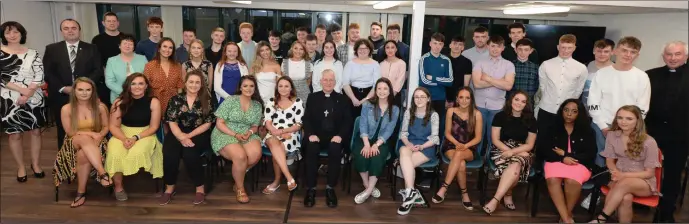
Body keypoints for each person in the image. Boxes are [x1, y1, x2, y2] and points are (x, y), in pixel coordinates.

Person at [589, 105, 661, 223]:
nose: (623, 121)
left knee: (625, 183)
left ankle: (601, 218)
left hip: (643, 181)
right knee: (626, 198)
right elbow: (609, 161)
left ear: (638, 121)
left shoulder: (649, 141)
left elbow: (649, 173)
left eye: (629, 118)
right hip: (617, 175)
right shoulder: (612, 135)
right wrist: (615, 172)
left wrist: (623, 176)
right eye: (620, 117)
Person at [43, 19, 103, 150]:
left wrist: (82, 87)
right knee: (63, 129)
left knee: (87, 126)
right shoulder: (52, 49)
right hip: (61, 95)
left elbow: (98, 70)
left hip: (86, 95)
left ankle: (87, 156)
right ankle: (65, 160)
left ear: (79, 30)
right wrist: (63, 88)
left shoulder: (91, 48)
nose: (70, 31)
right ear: (61, 31)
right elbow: (48, 72)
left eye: (74, 28)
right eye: (66, 28)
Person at [645, 41, 688, 223]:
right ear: (663, 56)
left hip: (681, 136)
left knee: (672, 175)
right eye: (669, 54)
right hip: (651, 135)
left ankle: (666, 212)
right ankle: (645, 202)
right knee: (646, 171)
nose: (673, 58)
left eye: (677, 54)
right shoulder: (650, 75)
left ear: (685, 56)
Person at [53, 77, 111, 208]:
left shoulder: (100, 107)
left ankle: (81, 193)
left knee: (83, 154)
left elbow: (106, 127)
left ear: (93, 91)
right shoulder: (66, 109)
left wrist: (100, 135)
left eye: (88, 90)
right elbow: (70, 132)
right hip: (72, 142)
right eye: (80, 89)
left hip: (97, 141)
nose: (84, 93)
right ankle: (102, 173)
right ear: (74, 91)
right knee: (84, 139)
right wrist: (91, 134)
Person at [1, 21, 47, 182]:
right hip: (9, 99)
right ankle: (21, 167)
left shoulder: (33, 53)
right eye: (8, 33)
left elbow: (39, 75)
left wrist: (28, 93)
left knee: (35, 132)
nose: (12, 35)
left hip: (34, 96)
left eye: (15, 32)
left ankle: (36, 164)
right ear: (3, 35)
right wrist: (21, 91)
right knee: (14, 134)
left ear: (22, 34)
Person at [106, 73, 164, 201]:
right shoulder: (118, 102)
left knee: (136, 153)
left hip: (145, 134)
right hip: (121, 133)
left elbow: (154, 127)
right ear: (128, 86)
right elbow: (113, 126)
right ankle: (118, 187)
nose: (137, 87)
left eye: (140, 83)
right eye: (133, 83)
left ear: (146, 86)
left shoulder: (154, 102)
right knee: (115, 153)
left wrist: (135, 138)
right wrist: (123, 139)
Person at [539, 99, 597, 223]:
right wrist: (562, 158)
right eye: (566, 110)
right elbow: (544, 149)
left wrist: (566, 154)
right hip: (555, 161)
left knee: (572, 180)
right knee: (553, 179)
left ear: (579, 113)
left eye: (574, 111)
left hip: (579, 164)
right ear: (561, 111)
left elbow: (590, 153)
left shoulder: (587, 130)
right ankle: (566, 218)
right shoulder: (552, 127)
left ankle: (565, 214)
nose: (569, 114)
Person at [161, 70, 215, 205]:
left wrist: (188, 136)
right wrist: (180, 136)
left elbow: (208, 123)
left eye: (197, 82)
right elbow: (171, 121)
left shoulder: (207, 100)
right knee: (169, 153)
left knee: (190, 153)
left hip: (199, 132)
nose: (194, 85)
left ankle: (200, 189)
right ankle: (169, 188)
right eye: (191, 82)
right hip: (178, 130)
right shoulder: (176, 99)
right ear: (185, 83)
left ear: (202, 84)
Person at [588, 36, 650, 146]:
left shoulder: (642, 77)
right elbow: (593, 102)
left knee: (625, 161)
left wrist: (628, 127)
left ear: (637, 55)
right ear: (616, 51)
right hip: (601, 126)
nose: (628, 55)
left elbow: (643, 107)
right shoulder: (601, 74)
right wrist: (603, 127)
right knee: (600, 161)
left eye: (633, 52)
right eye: (624, 50)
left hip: (629, 129)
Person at [302, 69, 352, 208]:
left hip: (334, 136)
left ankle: (330, 188)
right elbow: (306, 119)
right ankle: (311, 188)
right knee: (311, 149)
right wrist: (310, 134)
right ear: (320, 81)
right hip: (316, 135)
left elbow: (347, 121)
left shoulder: (343, 99)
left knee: (335, 149)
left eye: (331, 80)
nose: (328, 82)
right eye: (326, 80)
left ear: (335, 82)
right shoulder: (312, 97)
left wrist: (340, 136)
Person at [482, 91, 537, 215]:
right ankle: (508, 194)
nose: (519, 103)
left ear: (526, 105)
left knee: (516, 165)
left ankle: (495, 200)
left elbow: (529, 145)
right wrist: (509, 151)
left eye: (523, 101)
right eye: (517, 99)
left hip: (522, 150)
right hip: (501, 148)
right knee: (515, 170)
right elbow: (495, 140)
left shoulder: (531, 120)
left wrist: (513, 152)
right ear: (511, 100)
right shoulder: (500, 116)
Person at [211, 75, 264, 204]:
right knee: (240, 157)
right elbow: (220, 123)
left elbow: (255, 126)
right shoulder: (230, 100)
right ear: (240, 87)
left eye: (251, 86)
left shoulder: (257, 105)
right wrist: (234, 134)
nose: (248, 88)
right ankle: (240, 188)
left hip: (246, 133)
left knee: (255, 154)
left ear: (255, 88)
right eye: (245, 86)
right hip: (225, 132)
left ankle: (237, 177)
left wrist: (250, 132)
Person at [432, 87, 483, 210]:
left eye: (467, 98)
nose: (464, 100)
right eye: (461, 97)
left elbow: (478, 138)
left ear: (471, 100)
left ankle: (444, 187)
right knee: (461, 164)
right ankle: (464, 193)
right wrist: (457, 144)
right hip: (451, 145)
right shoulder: (451, 111)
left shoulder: (477, 114)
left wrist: (464, 146)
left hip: (469, 147)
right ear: (457, 99)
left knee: (459, 155)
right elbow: (447, 133)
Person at [352, 78, 400, 204]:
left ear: (390, 91)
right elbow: (363, 125)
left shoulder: (394, 109)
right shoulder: (367, 104)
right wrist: (367, 144)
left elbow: (389, 130)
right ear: (375, 90)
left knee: (377, 157)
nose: (382, 91)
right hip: (365, 137)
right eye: (379, 88)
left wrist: (376, 145)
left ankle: (367, 191)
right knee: (362, 155)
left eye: (385, 88)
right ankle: (367, 185)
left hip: (382, 141)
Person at [396, 87, 440, 215]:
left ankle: (408, 198)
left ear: (428, 99)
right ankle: (411, 193)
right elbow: (403, 133)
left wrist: (421, 147)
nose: (419, 99)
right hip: (409, 145)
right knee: (404, 150)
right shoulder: (408, 113)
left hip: (426, 147)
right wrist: (409, 144)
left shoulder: (433, 115)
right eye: (416, 97)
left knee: (406, 165)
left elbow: (434, 138)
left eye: (422, 97)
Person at [471, 35, 515, 157]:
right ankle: (476, 160)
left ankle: (490, 161)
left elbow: (508, 86)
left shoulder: (508, 65)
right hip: (479, 105)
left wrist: (488, 78)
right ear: (488, 46)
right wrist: (499, 81)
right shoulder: (480, 62)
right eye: (492, 46)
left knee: (493, 137)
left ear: (503, 48)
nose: (495, 49)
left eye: (498, 46)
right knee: (477, 135)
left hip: (497, 107)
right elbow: (477, 84)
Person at [536, 34, 587, 135]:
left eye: (569, 48)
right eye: (563, 47)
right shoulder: (546, 64)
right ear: (558, 47)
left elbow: (578, 90)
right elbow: (543, 86)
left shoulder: (581, 68)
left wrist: (569, 107)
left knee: (563, 140)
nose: (566, 50)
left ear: (574, 48)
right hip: (546, 109)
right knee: (542, 139)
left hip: (567, 113)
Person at [261, 76, 304, 194]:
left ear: (291, 88)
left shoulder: (298, 101)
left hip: (290, 134)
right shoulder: (271, 101)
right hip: (272, 132)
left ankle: (277, 181)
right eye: (280, 86)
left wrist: (282, 132)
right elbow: (267, 122)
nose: (283, 89)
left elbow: (298, 124)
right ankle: (289, 178)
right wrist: (276, 132)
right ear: (277, 88)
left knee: (276, 152)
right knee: (274, 142)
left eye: (286, 86)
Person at [143, 37, 184, 115]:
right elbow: (145, 86)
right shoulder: (150, 66)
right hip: (156, 102)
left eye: (170, 48)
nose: (167, 50)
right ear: (159, 49)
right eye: (164, 46)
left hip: (173, 102)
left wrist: (179, 103)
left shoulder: (177, 65)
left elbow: (180, 86)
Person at [342, 39, 381, 118]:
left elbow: (376, 85)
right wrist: (353, 98)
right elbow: (345, 83)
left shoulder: (375, 64)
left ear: (369, 50)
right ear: (356, 50)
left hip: (370, 94)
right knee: (351, 121)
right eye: (360, 48)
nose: (363, 51)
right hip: (352, 94)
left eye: (365, 48)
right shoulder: (350, 64)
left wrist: (366, 99)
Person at [105, 34, 148, 104]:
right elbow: (109, 81)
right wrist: (125, 92)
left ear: (134, 47)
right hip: (119, 98)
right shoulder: (111, 61)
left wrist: (138, 91)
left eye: (130, 44)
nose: (127, 46)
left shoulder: (142, 59)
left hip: (140, 96)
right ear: (119, 46)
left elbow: (147, 77)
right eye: (125, 43)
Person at [419, 33, 453, 118]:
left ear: (443, 45)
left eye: (440, 44)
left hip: (440, 98)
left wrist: (434, 78)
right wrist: (442, 82)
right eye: (435, 43)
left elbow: (450, 81)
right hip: (426, 98)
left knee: (439, 126)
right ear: (430, 44)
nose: (437, 46)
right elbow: (423, 81)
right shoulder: (424, 59)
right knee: (426, 124)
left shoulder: (446, 60)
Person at [582, 39, 615, 107]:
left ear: (612, 52)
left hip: (607, 113)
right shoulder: (583, 67)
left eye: (606, 51)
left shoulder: (618, 71)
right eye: (599, 51)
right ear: (594, 51)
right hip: (584, 112)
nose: (602, 54)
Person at [508, 38, 539, 109]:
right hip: (511, 103)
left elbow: (536, 87)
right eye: (520, 49)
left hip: (528, 104)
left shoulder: (536, 68)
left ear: (531, 51)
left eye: (526, 50)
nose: (523, 52)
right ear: (515, 50)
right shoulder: (509, 66)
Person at [445, 36, 472, 107]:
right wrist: (444, 99)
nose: (457, 46)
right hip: (443, 97)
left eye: (460, 44)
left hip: (458, 98)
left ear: (463, 47)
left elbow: (466, 85)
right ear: (450, 45)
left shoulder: (467, 62)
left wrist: (459, 100)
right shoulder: (443, 60)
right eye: (455, 43)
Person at [380, 40, 406, 107]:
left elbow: (400, 81)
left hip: (395, 96)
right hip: (381, 95)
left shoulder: (402, 64)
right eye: (387, 47)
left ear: (396, 49)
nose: (390, 50)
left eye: (392, 47)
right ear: (384, 50)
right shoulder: (381, 64)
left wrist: (391, 96)